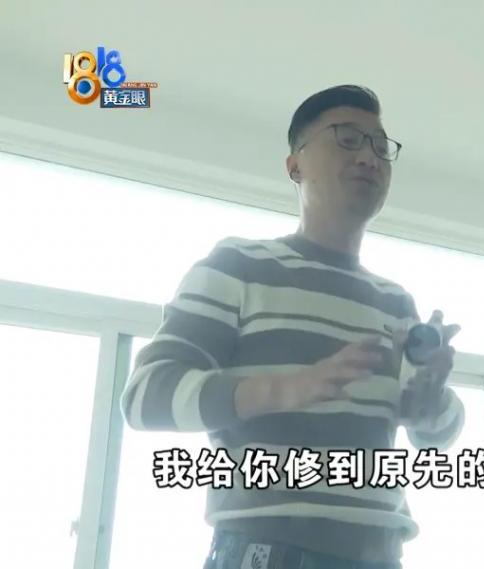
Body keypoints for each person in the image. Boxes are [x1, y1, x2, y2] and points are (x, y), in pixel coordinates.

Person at [120, 85, 464, 569]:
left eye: (380, 146)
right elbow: (144, 396)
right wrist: (285, 387)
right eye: (348, 138)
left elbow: (437, 435)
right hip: (267, 550)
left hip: (383, 554)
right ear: (295, 164)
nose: (370, 157)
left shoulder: (396, 302)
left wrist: (430, 404)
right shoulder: (237, 265)